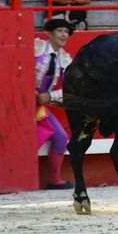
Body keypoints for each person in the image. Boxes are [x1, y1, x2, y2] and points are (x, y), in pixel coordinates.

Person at [34, 17, 76, 190]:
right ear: (49, 34)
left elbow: (71, 89)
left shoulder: (65, 59)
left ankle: (55, 179)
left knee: (61, 138)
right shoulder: (36, 47)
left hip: (39, 105)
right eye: (60, 31)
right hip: (21, 102)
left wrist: (49, 96)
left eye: (66, 32)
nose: (64, 34)